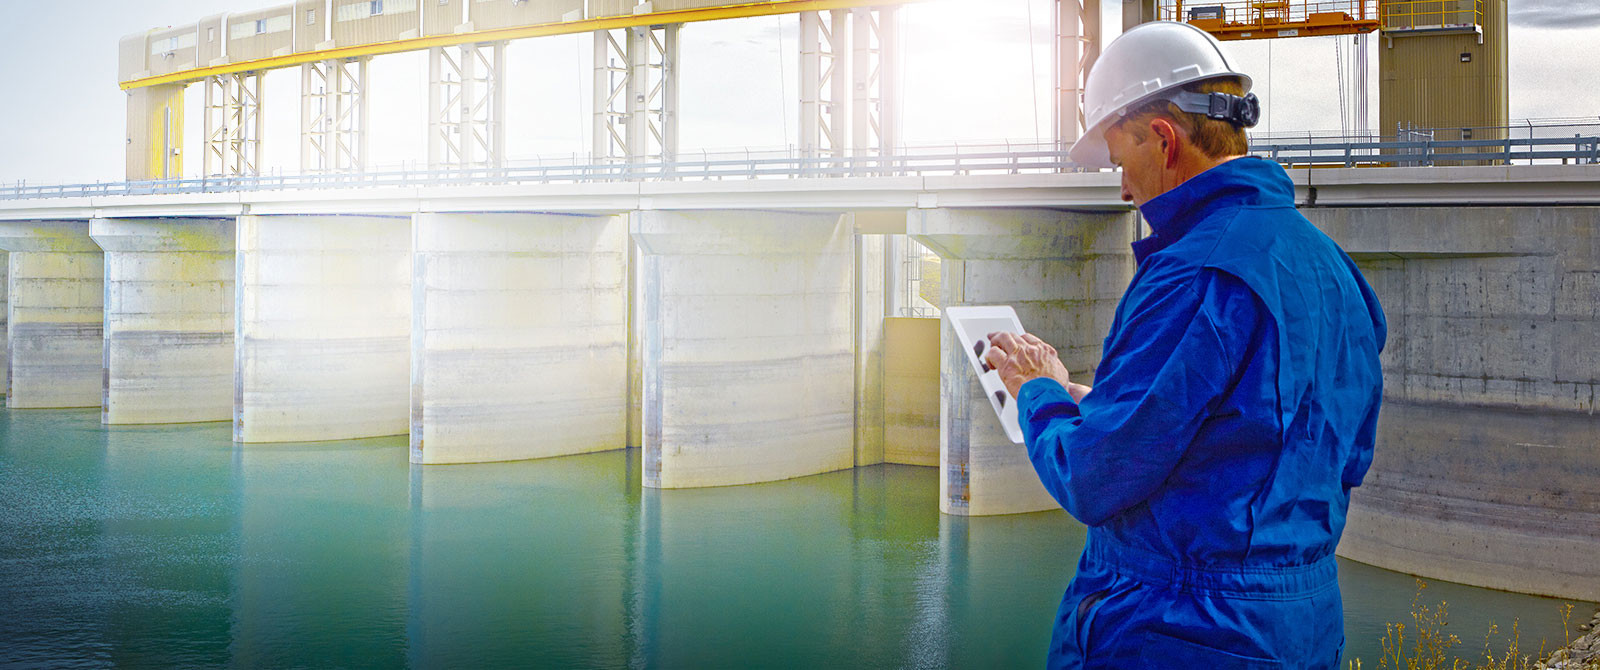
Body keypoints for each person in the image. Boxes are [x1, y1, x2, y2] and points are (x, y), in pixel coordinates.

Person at [981, 21, 1387, 670]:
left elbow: (1090, 476)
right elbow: (1322, 450)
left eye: (1121, 160)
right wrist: (1104, 402)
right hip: (1300, 629)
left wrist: (1038, 390)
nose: (1121, 188)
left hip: (1178, 633)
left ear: (1165, 141)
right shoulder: (1333, 271)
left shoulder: (1193, 273)